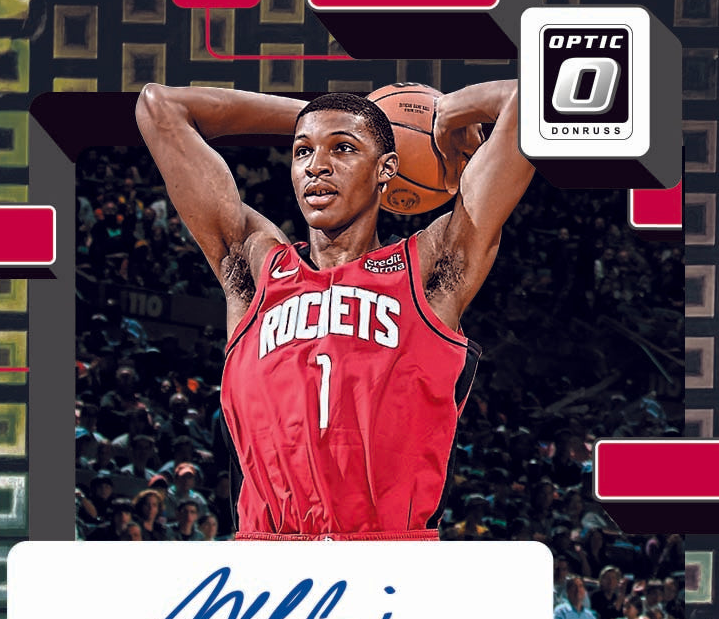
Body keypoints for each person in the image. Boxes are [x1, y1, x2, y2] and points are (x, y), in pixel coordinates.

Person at [136, 81, 534, 539]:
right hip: (268, 560)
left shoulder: (428, 269)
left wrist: (447, 112)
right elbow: (160, 107)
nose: (317, 166)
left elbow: (529, 101)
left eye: (343, 148)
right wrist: (330, 114)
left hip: (392, 558)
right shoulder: (255, 270)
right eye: (302, 151)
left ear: (386, 168)